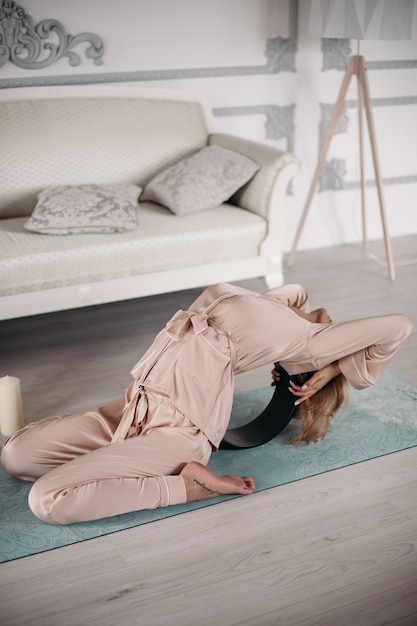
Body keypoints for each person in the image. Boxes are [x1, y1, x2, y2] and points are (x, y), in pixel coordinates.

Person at [1, 283, 412, 525]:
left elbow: (401, 325)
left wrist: (333, 368)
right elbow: (298, 291)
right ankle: (115, 464)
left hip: (179, 433)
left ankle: (189, 487)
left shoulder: (309, 343)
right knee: (15, 457)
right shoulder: (282, 303)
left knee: (46, 500)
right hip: (133, 407)